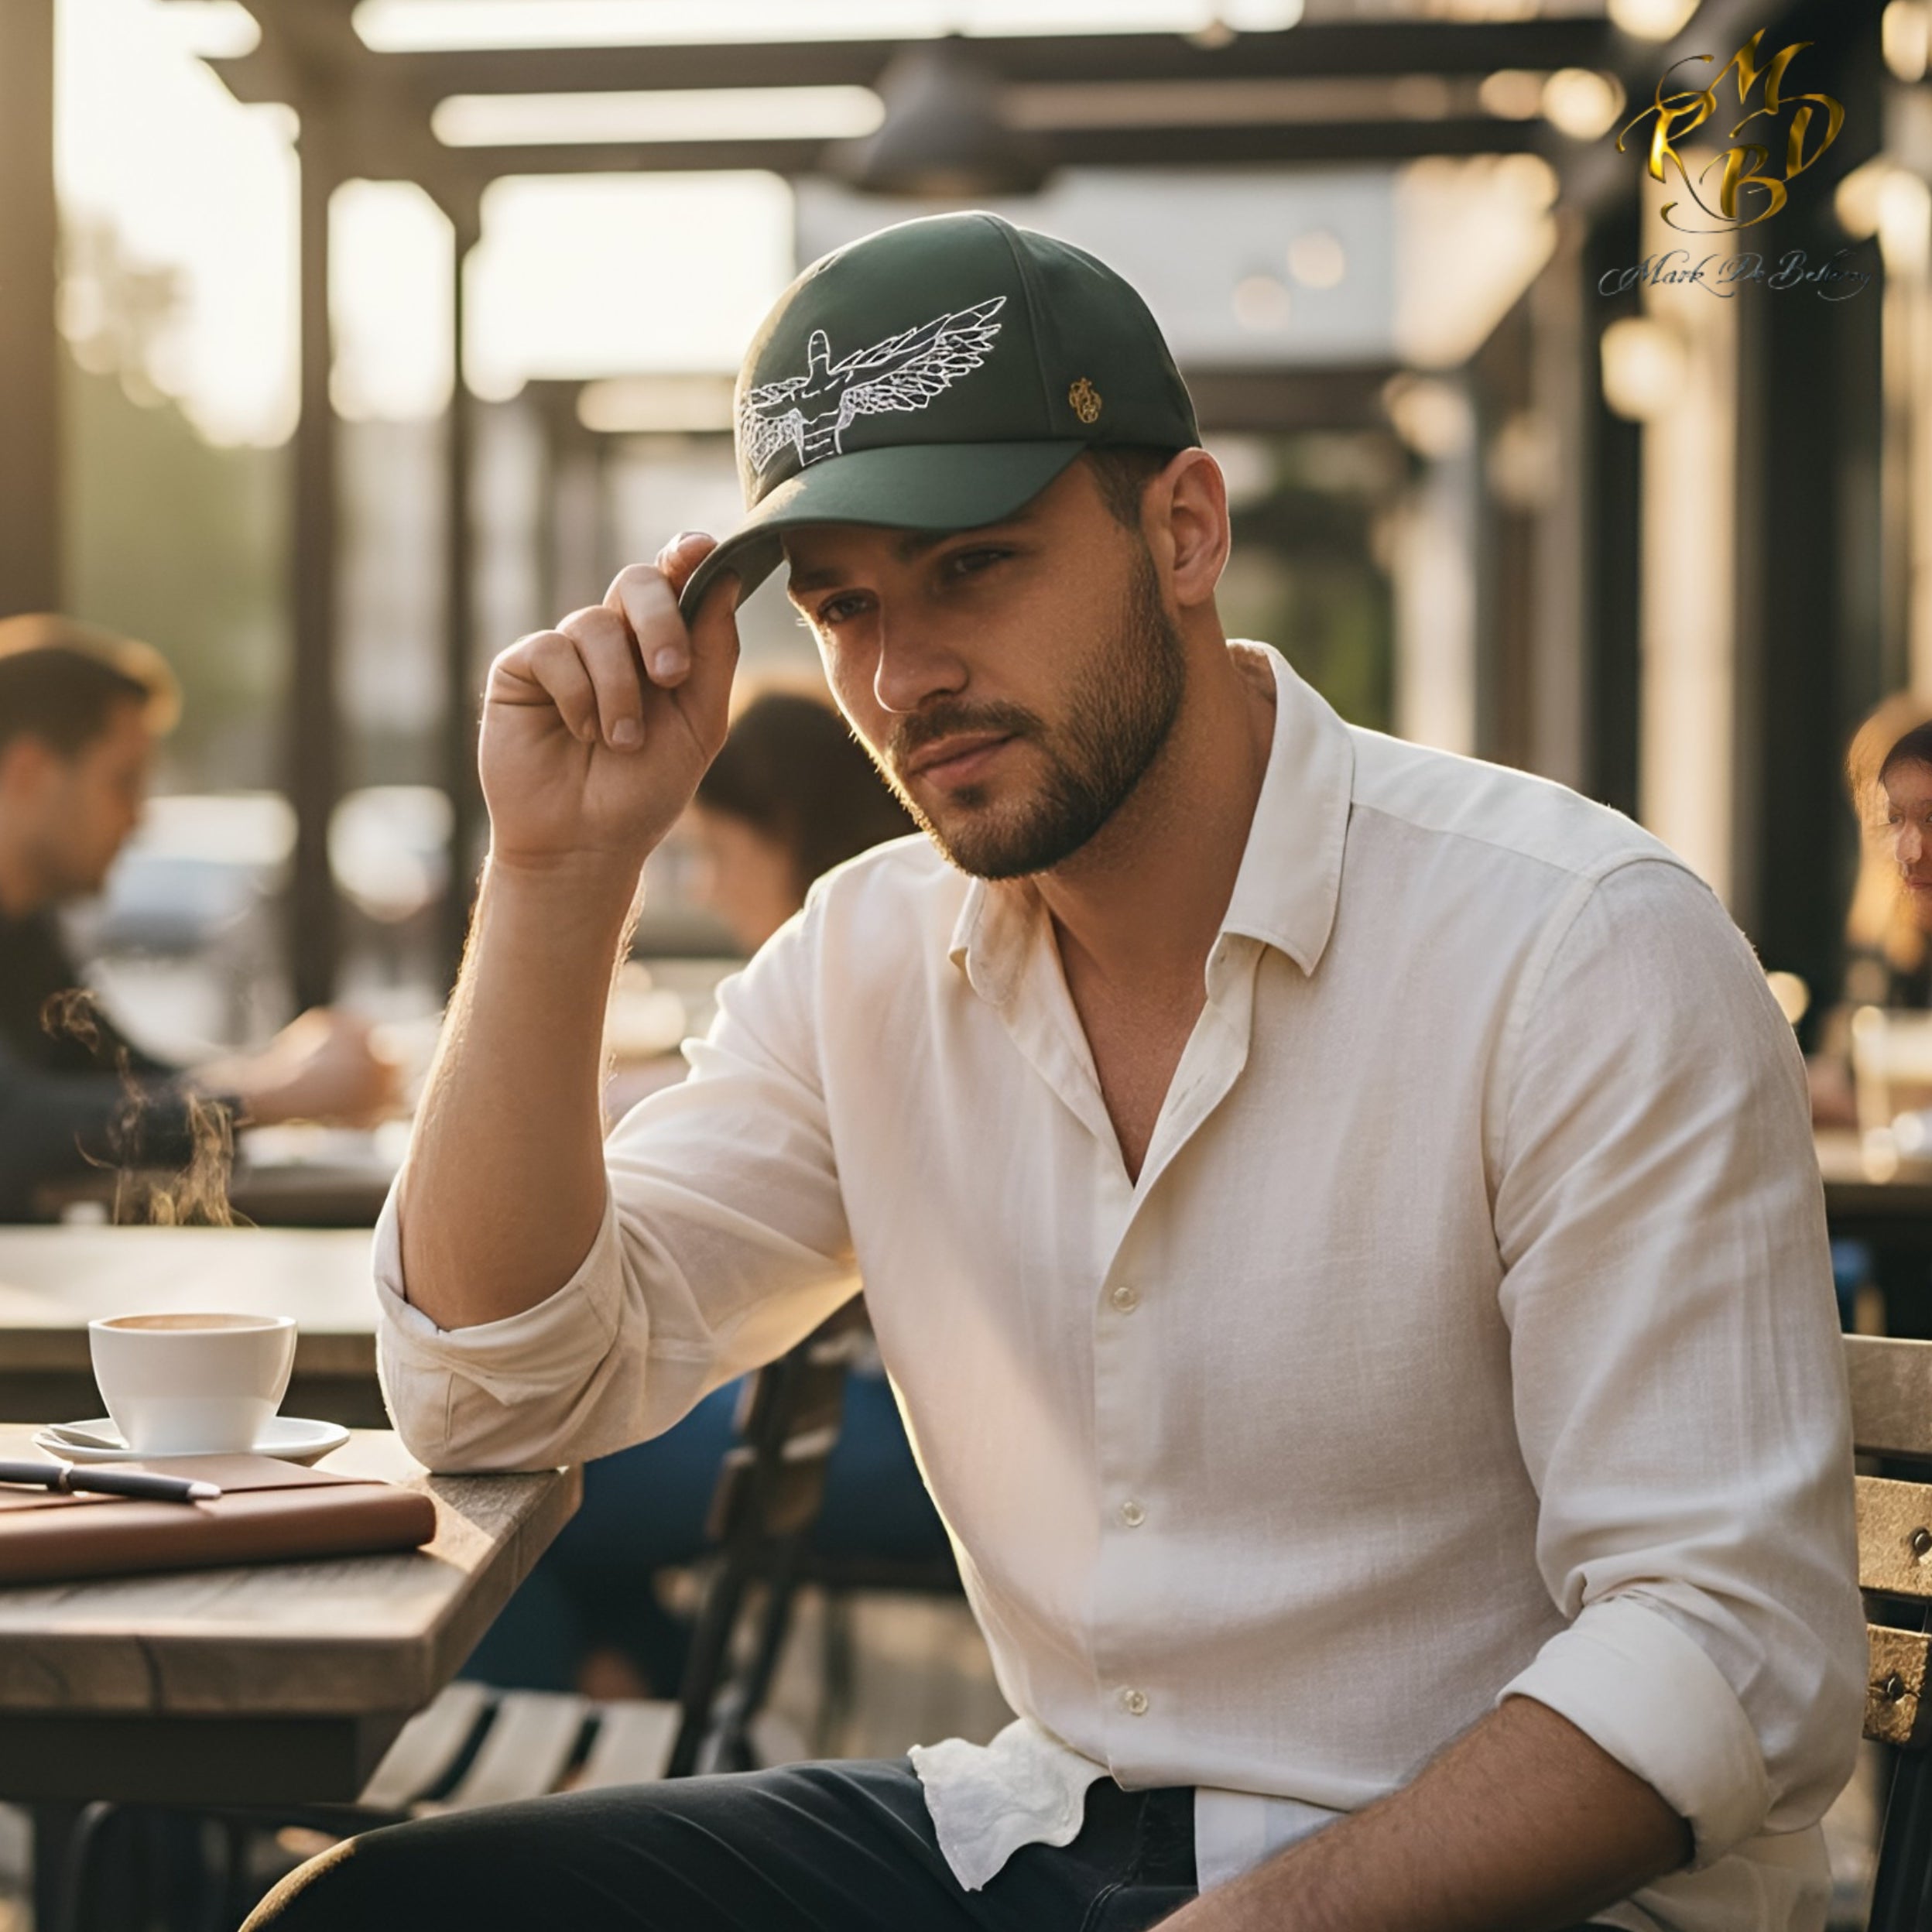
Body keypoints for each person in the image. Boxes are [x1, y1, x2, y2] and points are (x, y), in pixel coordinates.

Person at [250, 214, 1862, 1932]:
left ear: (1182, 528)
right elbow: (499, 1394)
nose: (900, 676)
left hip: (1494, 1889)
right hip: (1047, 1835)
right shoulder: (864, 958)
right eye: (845, 607)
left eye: (974, 566)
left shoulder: (1576, 944)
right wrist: (563, 877)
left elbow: (1728, 1645)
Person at [461, 684, 947, 1699]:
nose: (714, 892)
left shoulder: (875, 970)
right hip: (875, 1408)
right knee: (546, 1464)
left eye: (718, 855)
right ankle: (640, 1696)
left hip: (908, 1432)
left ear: (787, 834)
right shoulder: (898, 956)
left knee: (508, 1486)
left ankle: (600, 1736)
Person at [0, 615, 396, 1220]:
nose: (139, 818)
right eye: (124, 782)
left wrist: (280, 1072)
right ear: (29, 772)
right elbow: (19, 1128)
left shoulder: (24, 930)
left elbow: (124, 1075)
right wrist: (270, 1091)